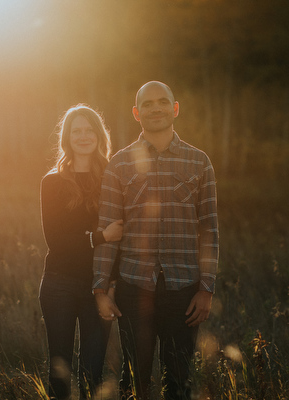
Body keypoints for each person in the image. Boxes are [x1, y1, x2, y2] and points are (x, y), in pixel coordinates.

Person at [92, 81, 219, 399]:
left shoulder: (199, 162)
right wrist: (100, 287)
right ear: (137, 113)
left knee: (179, 380)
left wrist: (206, 289)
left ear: (175, 109)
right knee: (134, 381)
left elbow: (209, 230)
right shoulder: (119, 165)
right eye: (147, 104)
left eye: (163, 102)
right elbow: (108, 231)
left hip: (184, 289)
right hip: (134, 288)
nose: (156, 108)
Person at [39, 104, 123, 400]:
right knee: (59, 370)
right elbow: (57, 241)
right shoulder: (52, 182)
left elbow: (120, 243)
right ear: (67, 138)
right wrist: (101, 236)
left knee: (93, 371)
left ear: (99, 136)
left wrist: (110, 288)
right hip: (58, 285)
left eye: (89, 130)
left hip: (98, 288)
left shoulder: (114, 179)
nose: (84, 136)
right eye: (77, 131)